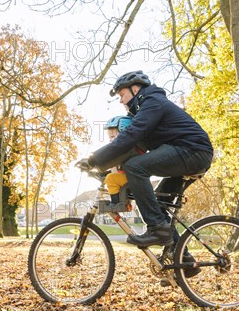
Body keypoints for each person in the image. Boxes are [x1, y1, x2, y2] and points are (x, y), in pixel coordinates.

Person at [78, 70, 213, 248]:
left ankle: (157, 228)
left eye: (122, 95)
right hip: (188, 153)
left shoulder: (152, 102)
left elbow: (130, 137)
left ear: (135, 89)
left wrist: (94, 160)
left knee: (135, 167)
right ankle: (182, 258)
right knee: (158, 202)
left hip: (192, 151)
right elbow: (132, 148)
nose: (120, 100)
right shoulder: (145, 110)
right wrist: (102, 168)